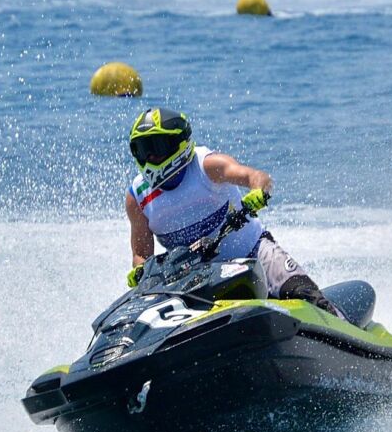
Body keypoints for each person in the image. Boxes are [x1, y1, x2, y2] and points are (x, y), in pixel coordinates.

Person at [124, 107, 340, 316]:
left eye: (157, 146)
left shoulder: (207, 166)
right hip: (198, 281)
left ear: (178, 144)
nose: (150, 156)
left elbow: (255, 176)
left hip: (254, 253)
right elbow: (142, 255)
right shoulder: (138, 197)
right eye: (143, 149)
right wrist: (139, 270)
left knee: (305, 294)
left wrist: (258, 192)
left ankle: (345, 331)